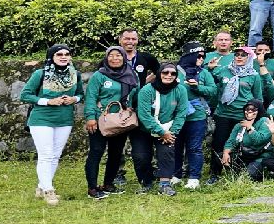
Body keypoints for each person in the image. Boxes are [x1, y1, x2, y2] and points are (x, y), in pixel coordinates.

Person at [21, 44, 83, 205]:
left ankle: (41, 187)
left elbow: (80, 94)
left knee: (55, 155)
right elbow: (26, 95)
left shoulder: (75, 74)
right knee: (46, 155)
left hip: (64, 119)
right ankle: (49, 190)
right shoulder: (40, 74)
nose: (63, 57)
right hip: (42, 119)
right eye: (59, 54)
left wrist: (73, 99)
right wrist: (47, 101)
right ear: (51, 57)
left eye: (67, 54)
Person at [82, 46, 138, 199]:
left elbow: (135, 94)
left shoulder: (131, 74)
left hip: (121, 121)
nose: (115, 58)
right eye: (111, 56)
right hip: (100, 120)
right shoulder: (99, 76)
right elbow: (91, 97)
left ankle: (108, 184)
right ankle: (92, 188)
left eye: (118, 55)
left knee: (116, 154)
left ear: (124, 57)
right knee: (96, 152)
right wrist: (90, 118)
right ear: (106, 58)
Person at [207, 46, 266, 185]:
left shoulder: (253, 75)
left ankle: (235, 171)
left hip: (243, 115)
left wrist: (255, 116)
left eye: (243, 55)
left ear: (249, 58)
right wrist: (210, 69)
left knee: (239, 143)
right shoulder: (224, 70)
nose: (239, 57)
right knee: (218, 144)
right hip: (223, 113)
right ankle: (214, 174)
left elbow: (258, 97)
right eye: (237, 54)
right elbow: (212, 86)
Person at [136, 64, 189, 195]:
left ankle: (165, 184)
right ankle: (146, 182)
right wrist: (161, 132)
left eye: (173, 73)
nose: (169, 75)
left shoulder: (180, 90)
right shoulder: (147, 90)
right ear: (159, 73)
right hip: (144, 129)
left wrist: (172, 132)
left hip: (168, 128)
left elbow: (181, 112)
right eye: (165, 72)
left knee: (167, 153)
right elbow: (144, 114)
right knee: (140, 156)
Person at [173, 42, 216, 190]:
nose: (201, 59)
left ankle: (194, 178)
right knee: (176, 146)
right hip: (176, 115)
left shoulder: (204, 73)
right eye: (198, 56)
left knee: (194, 148)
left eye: (203, 56)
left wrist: (197, 87)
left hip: (197, 116)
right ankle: (176, 175)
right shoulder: (174, 71)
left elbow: (213, 91)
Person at [221, 99, 271, 181]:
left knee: (250, 175)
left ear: (259, 110)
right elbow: (231, 141)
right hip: (244, 155)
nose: (249, 112)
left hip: (260, 156)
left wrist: (249, 128)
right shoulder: (239, 125)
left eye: (253, 109)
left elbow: (259, 140)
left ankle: (263, 173)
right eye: (247, 109)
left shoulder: (264, 121)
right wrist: (226, 153)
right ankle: (215, 176)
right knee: (219, 157)